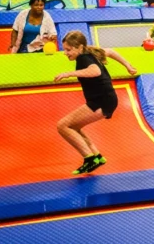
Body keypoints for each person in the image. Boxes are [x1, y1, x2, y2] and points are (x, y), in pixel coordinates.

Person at [54, 31, 138, 175]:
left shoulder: (83, 58)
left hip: (101, 101)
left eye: (68, 50)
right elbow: (111, 52)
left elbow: (95, 71)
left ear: (79, 48)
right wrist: (127, 65)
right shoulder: (90, 52)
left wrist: (68, 74)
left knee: (62, 125)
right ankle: (97, 156)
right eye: (64, 50)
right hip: (106, 99)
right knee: (74, 126)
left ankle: (89, 158)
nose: (65, 53)